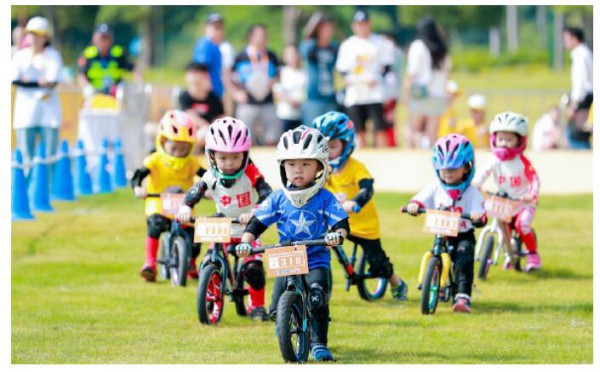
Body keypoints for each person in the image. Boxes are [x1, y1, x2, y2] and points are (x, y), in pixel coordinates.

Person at [235, 125, 349, 361]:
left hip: (316, 259)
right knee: (276, 311)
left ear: (320, 166)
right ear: (282, 167)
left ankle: (319, 343)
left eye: (306, 164)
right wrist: (246, 241)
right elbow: (257, 223)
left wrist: (337, 234)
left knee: (317, 297)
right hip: (286, 259)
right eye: (291, 164)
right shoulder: (278, 197)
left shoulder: (325, 197)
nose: (298, 170)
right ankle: (291, 329)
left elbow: (342, 223)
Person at [176, 117, 273, 321]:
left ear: (245, 155)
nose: (229, 164)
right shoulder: (211, 175)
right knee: (209, 259)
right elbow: (196, 190)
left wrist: (256, 210)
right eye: (223, 158)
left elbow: (266, 192)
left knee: (253, 270)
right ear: (211, 156)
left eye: (235, 157)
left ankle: (257, 306)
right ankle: (212, 288)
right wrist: (186, 206)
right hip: (223, 226)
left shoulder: (251, 172)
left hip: (249, 228)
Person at [311, 111, 408, 299]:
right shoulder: (323, 169)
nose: (328, 152)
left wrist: (355, 202)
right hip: (336, 222)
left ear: (346, 145)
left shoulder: (356, 168)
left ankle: (397, 283)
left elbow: (367, 189)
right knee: (316, 245)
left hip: (362, 225)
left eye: (333, 146)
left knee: (378, 262)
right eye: (324, 147)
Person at [405, 134, 486, 313]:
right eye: (443, 169)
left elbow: (480, 209)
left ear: (466, 168)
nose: (447, 172)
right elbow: (422, 198)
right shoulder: (436, 187)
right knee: (437, 253)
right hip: (441, 231)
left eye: (453, 168)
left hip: (463, 234)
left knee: (464, 258)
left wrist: (477, 215)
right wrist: (414, 205)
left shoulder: (471, 192)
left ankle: (463, 296)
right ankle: (437, 284)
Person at [131, 110, 205, 282]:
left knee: (196, 233)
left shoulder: (191, 162)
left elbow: (206, 177)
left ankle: (192, 262)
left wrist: (209, 190)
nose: (178, 153)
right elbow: (139, 175)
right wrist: (138, 188)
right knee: (155, 226)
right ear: (162, 141)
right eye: (174, 148)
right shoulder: (155, 160)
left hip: (184, 208)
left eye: (184, 148)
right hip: (158, 205)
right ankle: (150, 263)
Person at [472, 112, 541, 272]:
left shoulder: (522, 162)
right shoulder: (494, 159)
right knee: (504, 229)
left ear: (520, 141)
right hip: (505, 202)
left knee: (522, 225)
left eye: (509, 140)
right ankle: (508, 255)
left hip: (522, 203)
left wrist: (531, 195)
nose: (504, 143)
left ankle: (532, 254)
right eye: (501, 139)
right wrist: (476, 185)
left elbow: (534, 179)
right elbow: (483, 173)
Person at [335, 10, 395, 148]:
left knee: (380, 129)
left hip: (374, 92)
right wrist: (348, 79)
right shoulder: (348, 45)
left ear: (369, 24)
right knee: (358, 131)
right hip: (355, 93)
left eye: (364, 23)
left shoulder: (380, 42)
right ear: (354, 26)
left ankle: (384, 157)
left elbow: (387, 67)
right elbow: (342, 70)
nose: (362, 27)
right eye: (359, 24)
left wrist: (378, 79)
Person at [11, 16, 63, 172]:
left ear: (45, 37)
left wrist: (29, 82)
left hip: (48, 112)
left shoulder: (53, 56)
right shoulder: (20, 56)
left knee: (48, 156)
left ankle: (46, 192)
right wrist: (38, 83)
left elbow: (52, 82)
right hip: (25, 113)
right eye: (31, 34)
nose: (34, 38)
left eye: (38, 34)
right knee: (26, 156)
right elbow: (15, 80)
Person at [402, 17, 451, 149]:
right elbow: (446, 75)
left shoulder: (418, 46)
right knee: (432, 134)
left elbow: (411, 73)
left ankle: (414, 158)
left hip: (420, 94)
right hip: (438, 96)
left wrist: (405, 94)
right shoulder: (443, 49)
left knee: (413, 130)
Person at [230, 24, 280, 146]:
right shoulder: (240, 56)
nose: (263, 38)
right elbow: (230, 77)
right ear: (251, 37)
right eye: (259, 35)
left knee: (272, 137)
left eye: (265, 35)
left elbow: (278, 75)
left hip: (268, 102)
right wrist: (236, 93)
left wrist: (274, 82)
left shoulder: (271, 56)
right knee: (244, 139)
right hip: (247, 103)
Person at [300, 12, 339, 125]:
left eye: (329, 28)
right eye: (323, 28)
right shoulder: (310, 46)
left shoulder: (333, 48)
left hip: (331, 98)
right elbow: (306, 41)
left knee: (330, 136)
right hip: (314, 99)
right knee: (312, 134)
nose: (327, 31)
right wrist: (313, 23)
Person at [78, 23, 137, 97]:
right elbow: (81, 75)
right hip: (95, 95)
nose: (105, 41)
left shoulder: (119, 53)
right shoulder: (88, 54)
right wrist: (87, 87)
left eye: (107, 37)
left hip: (115, 95)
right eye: (102, 37)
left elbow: (134, 69)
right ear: (95, 38)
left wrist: (140, 85)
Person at [178, 62, 225, 150]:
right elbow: (189, 116)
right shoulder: (184, 96)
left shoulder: (213, 97)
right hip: (187, 132)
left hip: (208, 136)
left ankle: (187, 151)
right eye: (191, 74)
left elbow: (220, 117)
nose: (193, 78)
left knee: (205, 131)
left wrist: (212, 128)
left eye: (196, 74)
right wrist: (206, 126)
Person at [562, 26, 593, 150]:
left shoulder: (580, 55)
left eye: (566, 38)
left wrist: (573, 105)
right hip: (586, 97)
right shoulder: (584, 53)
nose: (565, 42)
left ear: (575, 39)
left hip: (583, 99)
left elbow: (580, 84)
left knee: (577, 135)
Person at [273, 44, 307, 132]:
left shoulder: (305, 72)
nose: (293, 57)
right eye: (289, 54)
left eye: (295, 54)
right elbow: (277, 92)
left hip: (301, 114)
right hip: (284, 114)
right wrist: (290, 101)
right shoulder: (281, 72)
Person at [192, 13, 225, 99]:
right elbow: (201, 69)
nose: (217, 31)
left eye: (219, 27)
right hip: (208, 94)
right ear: (206, 28)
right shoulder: (205, 45)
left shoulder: (214, 46)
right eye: (214, 27)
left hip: (215, 92)